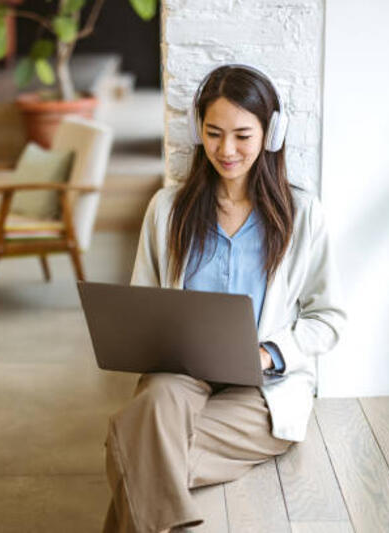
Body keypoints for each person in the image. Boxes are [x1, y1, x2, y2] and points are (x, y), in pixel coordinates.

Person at [102, 64, 346, 533]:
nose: (227, 150)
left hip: (263, 390)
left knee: (131, 446)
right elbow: (141, 302)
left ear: (271, 134)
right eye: (214, 134)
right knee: (153, 409)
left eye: (242, 135)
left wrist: (270, 353)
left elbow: (329, 316)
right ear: (198, 130)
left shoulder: (303, 215)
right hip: (180, 376)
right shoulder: (167, 209)